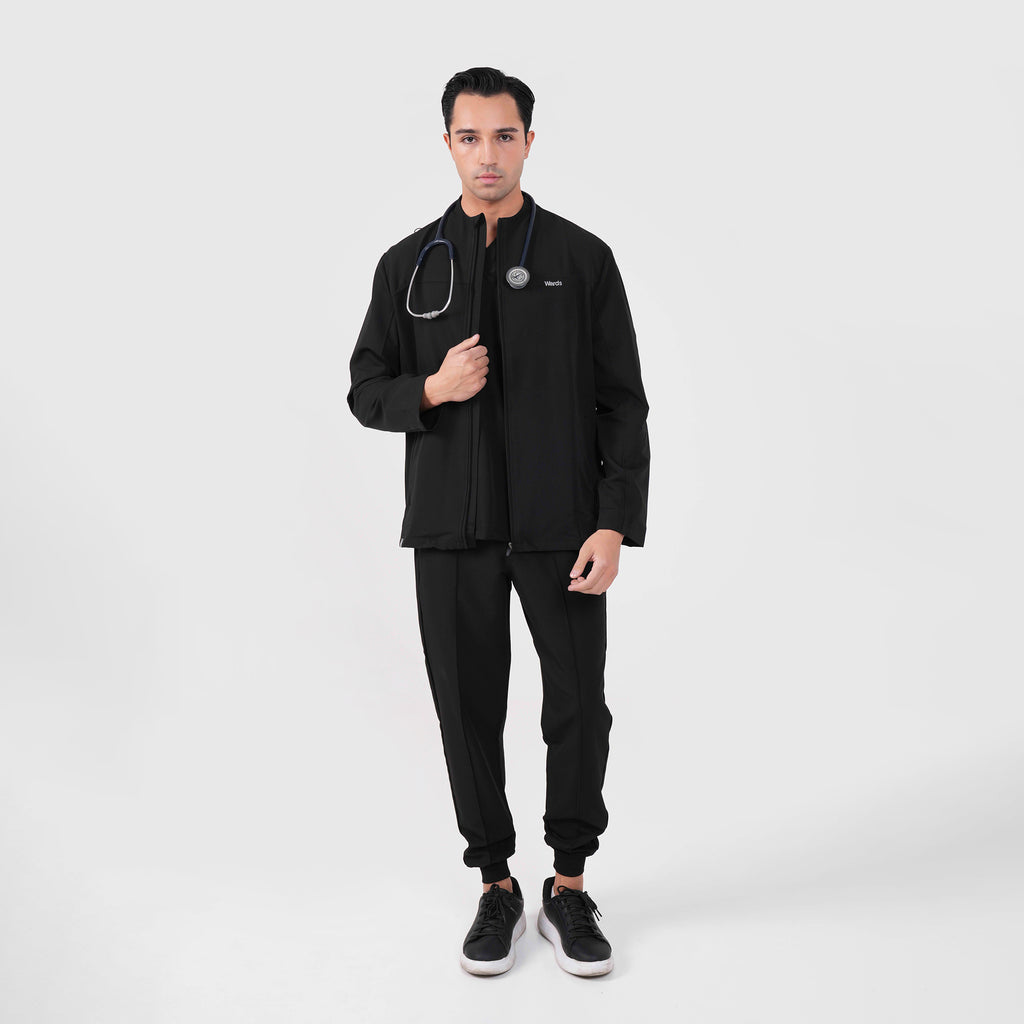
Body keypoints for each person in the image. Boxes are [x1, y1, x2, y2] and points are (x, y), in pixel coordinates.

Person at [347, 67, 650, 978]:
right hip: (452, 528)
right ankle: (496, 885)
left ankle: (568, 884)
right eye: (470, 137)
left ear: (528, 141)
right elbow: (365, 389)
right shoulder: (408, 264)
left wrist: (613, 523)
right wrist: (433, 389)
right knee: (466, 710)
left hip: (563, 529)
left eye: (504, 136)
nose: (488, 154)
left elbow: (622, 404)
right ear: (448, 143)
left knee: (578, 706)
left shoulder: (581, 259)